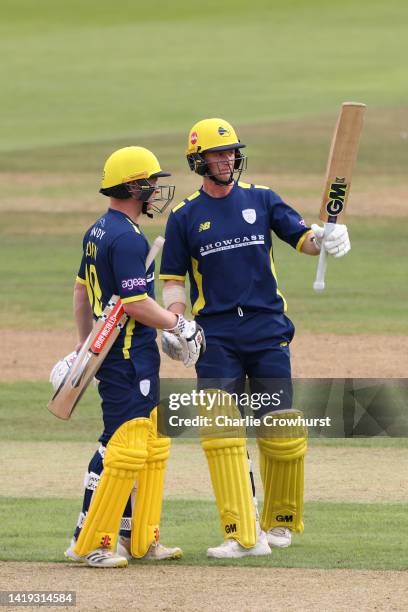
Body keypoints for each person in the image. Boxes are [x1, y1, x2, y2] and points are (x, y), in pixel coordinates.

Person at [159, 118, 350, 558]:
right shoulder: (185, 217)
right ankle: (242, 533)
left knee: (278, 424)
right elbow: (173, 280)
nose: (227, 159)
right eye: (217, 154)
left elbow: (303, 238)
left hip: (267, 331)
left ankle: (279, 523)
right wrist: (175, 322)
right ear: (198, 161)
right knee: (222, 433)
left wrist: (329, 237)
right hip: (217, 336)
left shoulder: (262, 199)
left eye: (231, 152)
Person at [50, 146, 205, 568]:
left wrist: (87, 348)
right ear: (133, 186)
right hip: (126, 357)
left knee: (150, 446)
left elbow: (82, 290)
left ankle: (140, 538)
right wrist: (178, 325)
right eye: (152, 184)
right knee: (121, 447)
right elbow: (137, 303)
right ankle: (92, 542)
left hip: (119, 354)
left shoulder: (99, 230)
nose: (157, 191)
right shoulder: (125, 238)